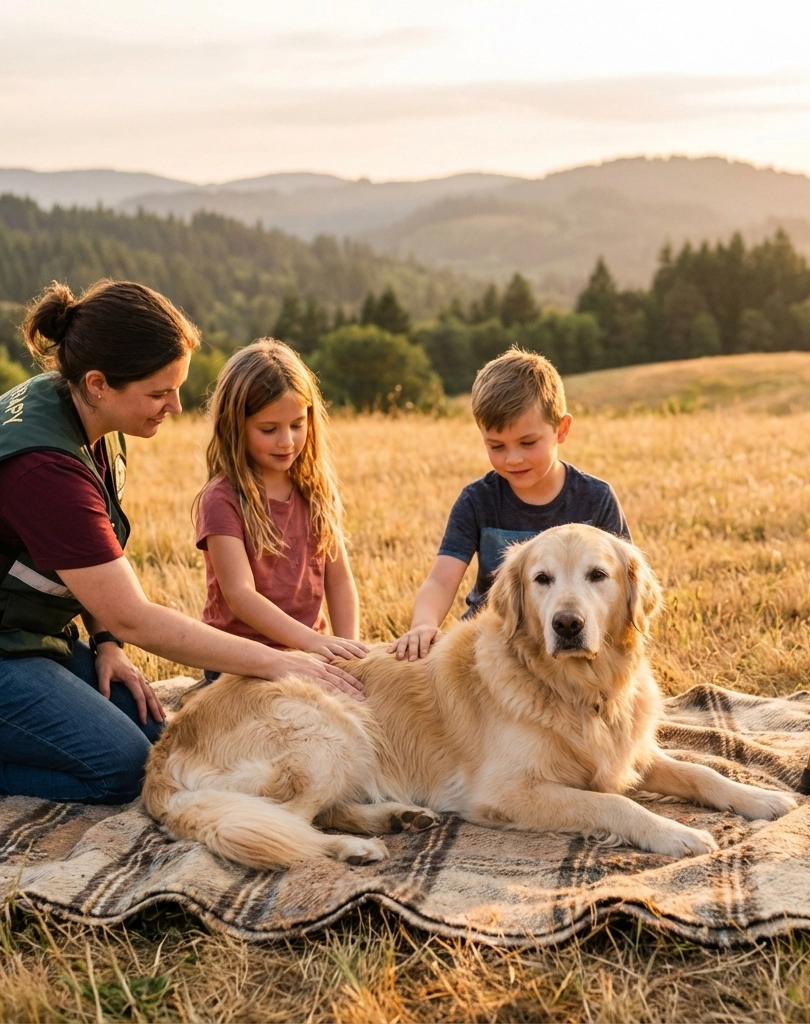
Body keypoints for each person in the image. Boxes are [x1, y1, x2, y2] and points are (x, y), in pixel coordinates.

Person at [0, 281, 360, 806]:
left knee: (156, 739)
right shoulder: (45, 470)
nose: (175, 405)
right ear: (99, 383)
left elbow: (90, 561)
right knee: (121, 771)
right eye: (158, 393)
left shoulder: (79, 409)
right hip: (8, 648)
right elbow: (133, 615)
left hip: (25, 635)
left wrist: (105, 644)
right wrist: (282, 662)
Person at [391, 348, 631, 662]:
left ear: (561, 429)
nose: (513, 458)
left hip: (583, 634)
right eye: (496, 446)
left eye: (527, 443)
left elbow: (623, 581)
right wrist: (423, 624)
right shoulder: (477, 500)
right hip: (497, 644)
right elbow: (441, 579)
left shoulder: (595, 497)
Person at [195, 339, 366, 681]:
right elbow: (240, 595)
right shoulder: (222, 498)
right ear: (235, 426)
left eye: (297, 425)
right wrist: (313, 641)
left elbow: (340, 580)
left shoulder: (314, 489)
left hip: (310, 653)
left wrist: (348, 651)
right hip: (240, 662)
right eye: (269, 430)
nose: (287, 441)